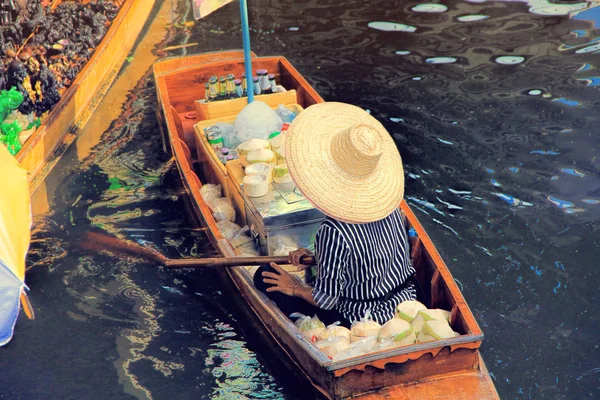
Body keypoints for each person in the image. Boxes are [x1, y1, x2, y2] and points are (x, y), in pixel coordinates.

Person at [254, 102, 417, 327]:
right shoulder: (391, 209)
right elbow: (368, 259)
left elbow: (326, 300)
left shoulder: (333, 232)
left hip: (362, 319)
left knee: (263, 274)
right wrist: (316, 257)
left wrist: (296, 287)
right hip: (405, 302)